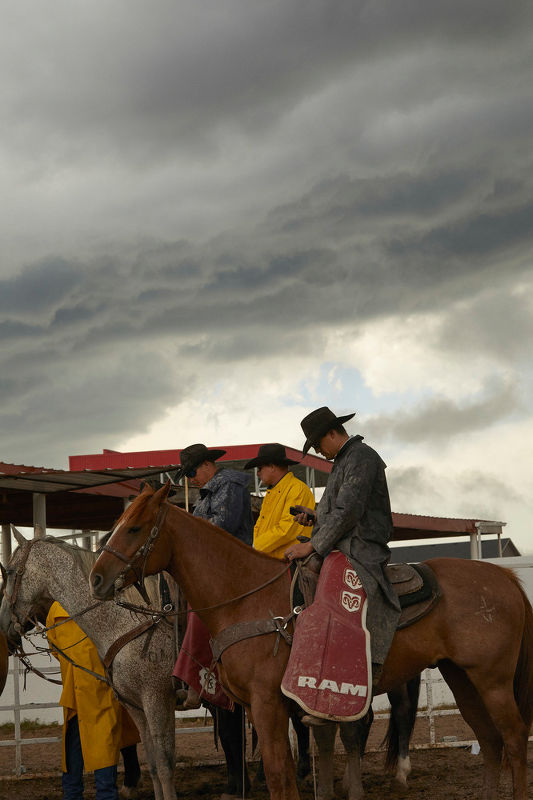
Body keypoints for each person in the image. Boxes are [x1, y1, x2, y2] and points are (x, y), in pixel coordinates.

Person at [285, 406, 401, 725]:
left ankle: (345, 681)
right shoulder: (343, 462)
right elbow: (335, 511)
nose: (319, 451)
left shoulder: (362, 457)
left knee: (328, 586)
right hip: (343, 543)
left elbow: (349, 512)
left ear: (333, 434)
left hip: (361, 547)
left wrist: (312, 543)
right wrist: (314, 517)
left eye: (319, 444)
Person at [173, 442, 253, 708]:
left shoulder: (228, 484)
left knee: (200, 612)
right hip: (216, 567)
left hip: (232, 566)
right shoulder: (209, 490)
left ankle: (194, 681)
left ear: (208, 465)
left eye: (192, 472)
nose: (190, 479)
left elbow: (222, 527)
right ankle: (194, 677)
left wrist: (186, 531)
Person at [47, 601, 129, 800]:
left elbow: (55, 650)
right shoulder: (104, 603)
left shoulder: (56, 610)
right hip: (92, 696)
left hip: (84, 696)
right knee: (102, 777)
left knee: (80, 780)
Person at [245, 443, 315, 560]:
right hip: (270, 559)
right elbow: (259, 526)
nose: (258, 473)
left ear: (272, 466)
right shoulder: (272, 491)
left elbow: (286, 529)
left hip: (290, 562)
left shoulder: (298, 489)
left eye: (260, 468)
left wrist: (255, 546)